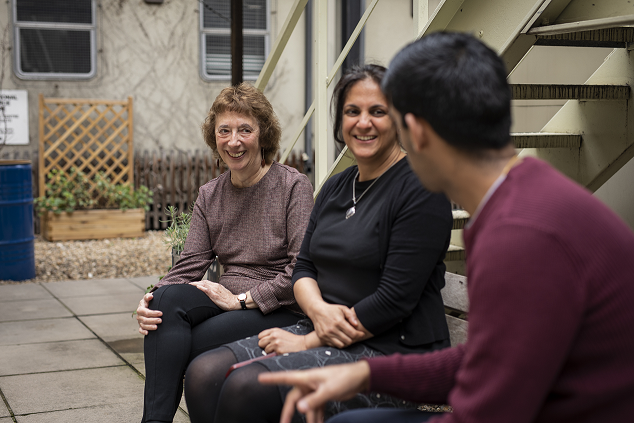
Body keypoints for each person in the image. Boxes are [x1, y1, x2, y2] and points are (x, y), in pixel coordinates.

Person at [259, 32, 634, 423]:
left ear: (415, 131)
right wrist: (366, 373)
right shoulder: (526, 196)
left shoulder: (520, 234)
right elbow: (488, 358)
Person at [183, 64, 454, 423]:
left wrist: (312, 341)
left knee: (247, 387)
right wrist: (318, 314)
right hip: (320, 326)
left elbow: (395, 299)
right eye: (352, 111)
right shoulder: (338, 187)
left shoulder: (421, 189)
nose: (363, 122)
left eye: (378, 111)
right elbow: (305, 266)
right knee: (204, 374)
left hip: (391, 351)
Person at [135, 82, 314, 423]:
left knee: (183, 345)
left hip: (280, 308)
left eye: (245, 129)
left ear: (263, 135)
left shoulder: (293, 186)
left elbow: (300, 269)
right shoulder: (211, 194)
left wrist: (242, 300)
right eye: (225, 131)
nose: (234, 141)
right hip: (227, 302)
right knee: (165, 303)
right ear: (214, 138)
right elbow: (189, 265)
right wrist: (149, 301)